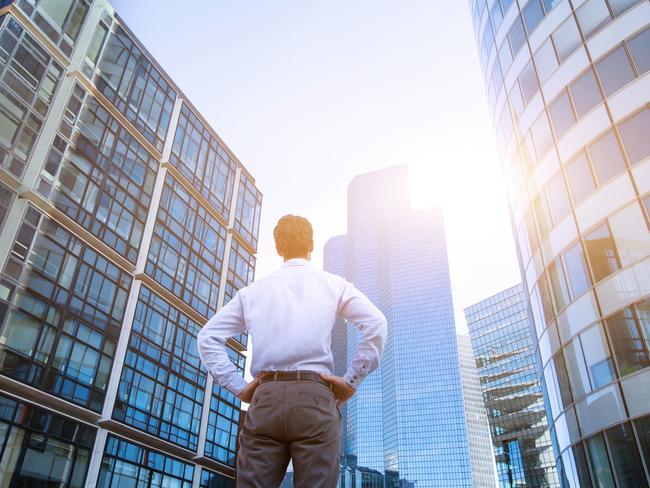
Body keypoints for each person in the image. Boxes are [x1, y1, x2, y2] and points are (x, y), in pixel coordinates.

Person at [197, 214, 387, 488]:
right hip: (315, 398)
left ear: (279, 248)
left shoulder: (252, 293)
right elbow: (376, 324)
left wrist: (239, 387)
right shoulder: (334, 285)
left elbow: (208, 338)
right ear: (311, 245)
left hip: (266, 399)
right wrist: (349, 382)